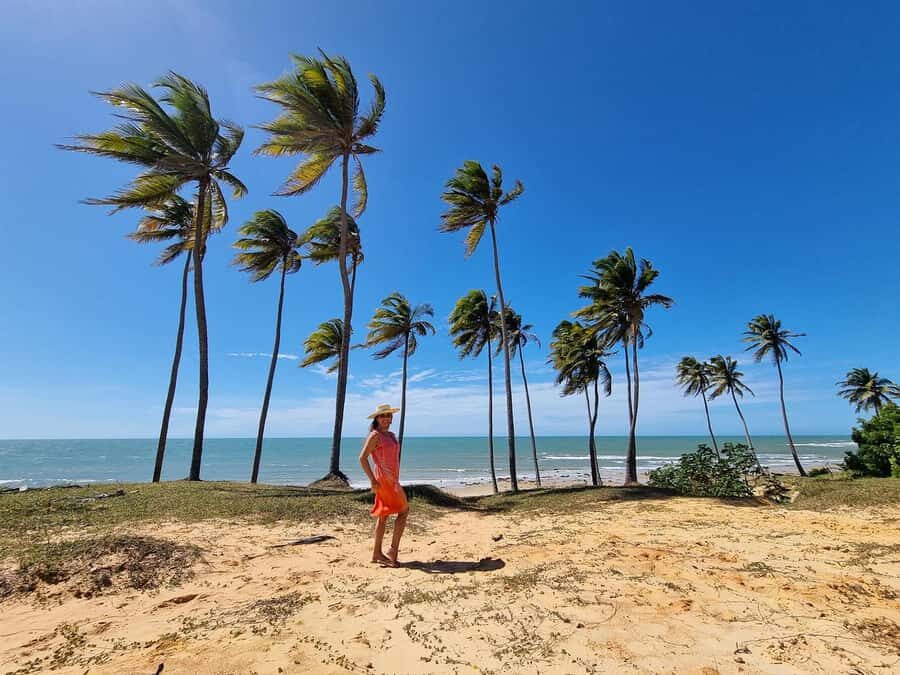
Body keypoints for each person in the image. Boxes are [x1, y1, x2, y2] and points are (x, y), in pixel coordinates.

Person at [359, 404, 409, 567]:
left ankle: (376, 553)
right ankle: (392, 550)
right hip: (384, 480)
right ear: (377, 419)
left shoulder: (391, 435)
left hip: (393, 479)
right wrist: (372, 480)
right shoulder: (375, 435)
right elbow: (362, 458)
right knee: (404, 510)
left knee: (383, 516)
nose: (386, 418)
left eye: (388, 415)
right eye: (383, 416)